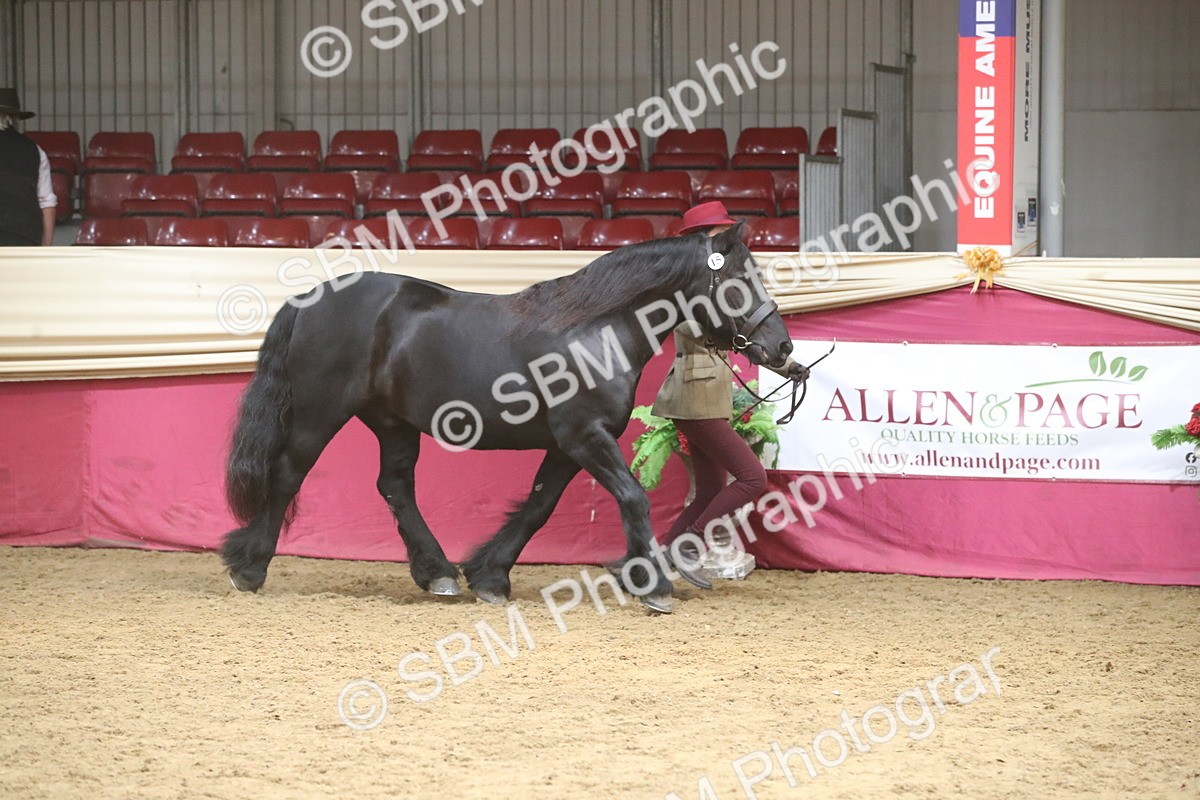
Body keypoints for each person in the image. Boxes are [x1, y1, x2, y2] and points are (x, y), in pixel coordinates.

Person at [653, 200, 808, 589]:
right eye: (717, 233)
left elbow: (743, 339)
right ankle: (690, 547)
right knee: (752, 478)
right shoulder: (688, 284)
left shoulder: (716, 284)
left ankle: (655, 565)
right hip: (693, 396)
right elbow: (718, 332)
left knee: (709, 489)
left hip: (705, 397)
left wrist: (788, 368)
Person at [0, 88, 57, 247]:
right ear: (16, 118)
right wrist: (45, 249)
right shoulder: (35, 151)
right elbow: (47, 203)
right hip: (22, 239)